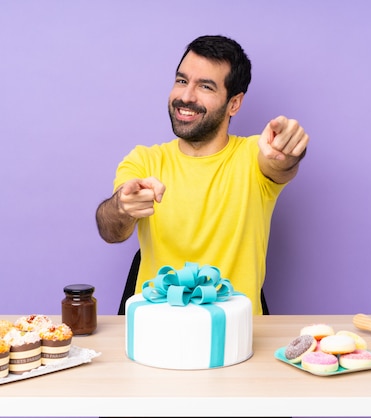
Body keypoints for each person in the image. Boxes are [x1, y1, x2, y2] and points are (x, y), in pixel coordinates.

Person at [96, 34, 309, 315]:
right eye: (182, 81)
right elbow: (111, 230)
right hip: (157, 333)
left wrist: (288, 152)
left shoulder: (252, 155)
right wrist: (123, 207)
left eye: (205, 86)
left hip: (236, 337)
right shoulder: (144, 160)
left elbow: (279, 165)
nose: (186, 96)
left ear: (234, 103)